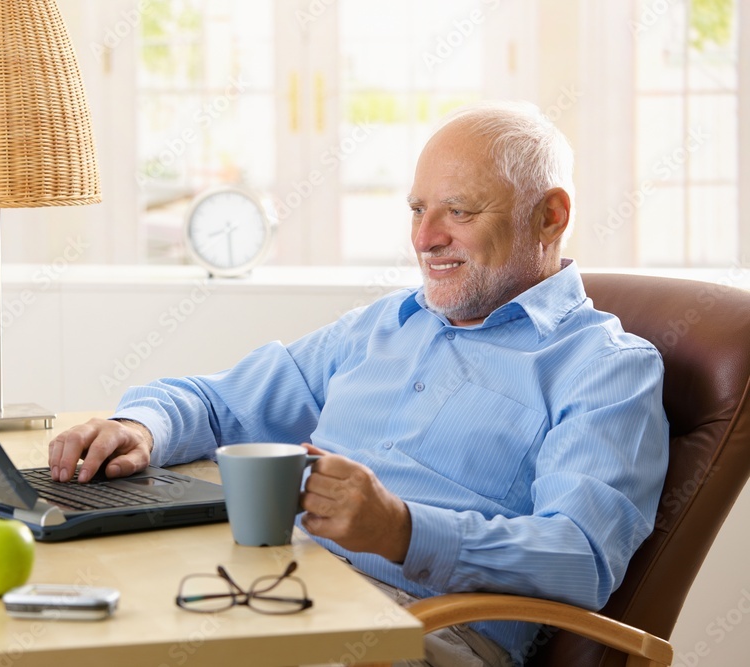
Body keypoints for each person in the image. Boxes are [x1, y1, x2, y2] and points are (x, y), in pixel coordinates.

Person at [48, 100, 669, 667]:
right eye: (419, 210)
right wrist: (139, 428)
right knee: (71, 615)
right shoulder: (383, 325)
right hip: (284, 585)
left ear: (550, 216)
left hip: (423, 629)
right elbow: (221, 404)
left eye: (459, 210)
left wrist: (401, 529)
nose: (425, 240)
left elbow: (580, 559)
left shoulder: (605, 366)